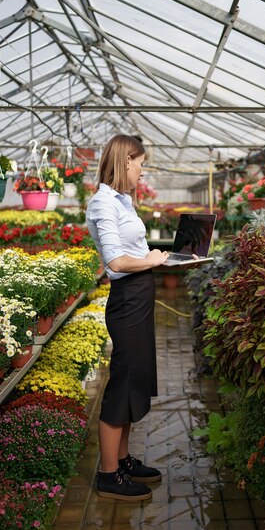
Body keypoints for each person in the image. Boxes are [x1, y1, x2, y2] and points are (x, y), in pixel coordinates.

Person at [86, 134, 169, 501]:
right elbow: (116, 262)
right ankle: (107, 475)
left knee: (135, 379)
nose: (142, 170)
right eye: (140, 163)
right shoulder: (103, 204)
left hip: (138, 299)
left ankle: (122, 461)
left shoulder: (122, 201)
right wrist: (149, 260)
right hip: (127, 301)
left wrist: (149, 253)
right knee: (123, 381)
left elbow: (129, 249)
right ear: (125, 161)